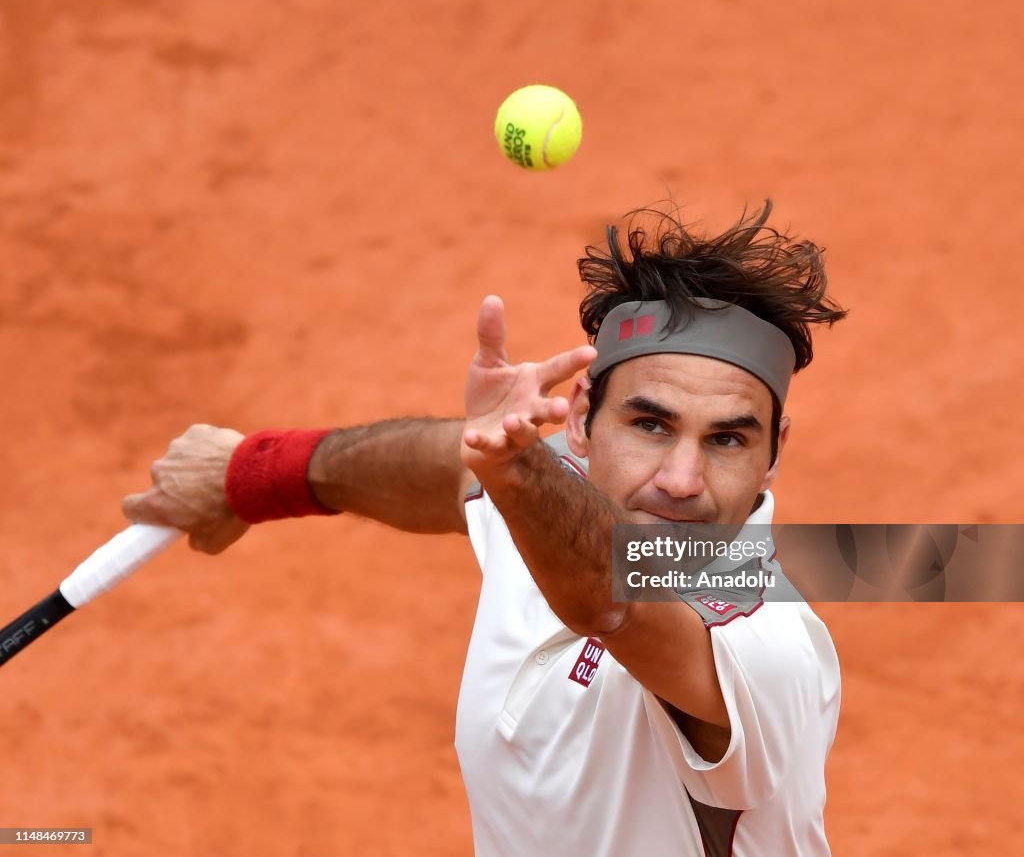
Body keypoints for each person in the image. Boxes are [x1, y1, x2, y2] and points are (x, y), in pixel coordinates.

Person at [123, 200, 848, 856]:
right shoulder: (551, 493)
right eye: (650, 424)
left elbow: (610, 595)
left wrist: (513, 470)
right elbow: (449, 470)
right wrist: (257, 473)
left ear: (774, 451)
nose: (682, 480)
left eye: (727, 439)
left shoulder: (765, 641)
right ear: (583, 417)